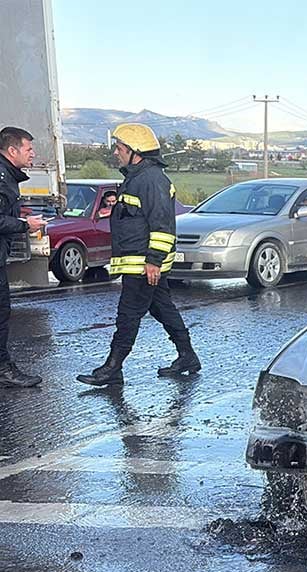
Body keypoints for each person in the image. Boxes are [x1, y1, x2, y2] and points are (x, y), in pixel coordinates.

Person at [76, 123, 200, 386]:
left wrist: (153, 261)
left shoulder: (151, 179)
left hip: (144, 265)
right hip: (141, 263)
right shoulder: (138, 177)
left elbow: (162, 225)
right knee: (163, 309)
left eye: (119, 148)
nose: (115, 153)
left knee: (128, 315)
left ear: (135, 151)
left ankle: (113, 368)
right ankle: (188, 356)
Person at [0, 126, 47, 388]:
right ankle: (4, 369)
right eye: (29, 148)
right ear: (12, 150)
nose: (33, 153)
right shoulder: (2, 177)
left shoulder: (7, 175)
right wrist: (24, 225)